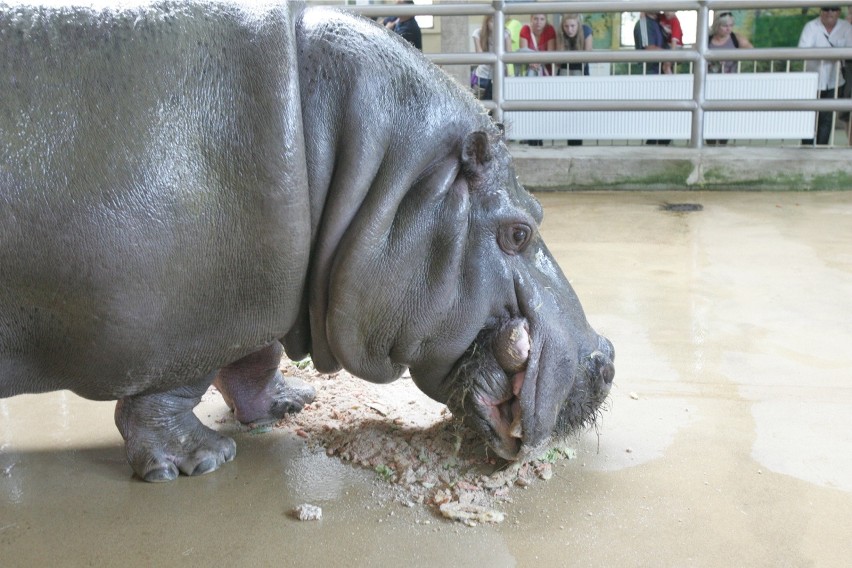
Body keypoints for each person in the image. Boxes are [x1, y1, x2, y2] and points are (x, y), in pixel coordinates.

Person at [798, 6, 851, 145]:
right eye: (826, 9)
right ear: (821, 11)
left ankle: (821, 149)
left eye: (833, 9)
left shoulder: (846, 27)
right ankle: (807, 148)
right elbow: (802, 50)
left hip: (834, 80)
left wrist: (823, 54)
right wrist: (831, 54)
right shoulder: (810, 26)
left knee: (826, 118)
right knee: (808, 116)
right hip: (811, 80)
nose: (829, 13)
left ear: (838, 12)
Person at [707, 11, 753, 145]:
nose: (728, 29)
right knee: (710, 118)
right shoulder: (707, 40)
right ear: (717, 26)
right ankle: (710, 143)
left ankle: (722, 143)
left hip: (729, 86)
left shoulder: (735, 38)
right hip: (710, 86)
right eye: (724, 26)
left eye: (731, 25)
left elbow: (751, 50)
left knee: (725, 118)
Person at [555, 13, 592, 146]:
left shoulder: (586, 31)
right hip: (564, 73)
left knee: (580, 110)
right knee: (565, 109)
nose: (569, 29)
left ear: (578, 25)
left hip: (581, 73)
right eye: (566, 26)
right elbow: (559, 60)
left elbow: (587, 57)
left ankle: (577, 141)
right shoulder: (560, 33)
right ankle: (568, 137)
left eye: (572, 26)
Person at [634, 12, 670, 145]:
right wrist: (673, 54)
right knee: (655, 121)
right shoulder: (644, 23)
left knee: (663, 121)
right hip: (651, 76)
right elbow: (649, 49)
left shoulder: (660, 22)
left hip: (661, 75)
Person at [472, 15, 512, 101]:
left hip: (500, 75)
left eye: (497, 22)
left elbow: (509, 55)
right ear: (486, 23)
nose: (495, 25)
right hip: (482, 75)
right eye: (492, 21)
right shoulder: (478, 33)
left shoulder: (505, 33)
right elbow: (480, 55)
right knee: (478, 103)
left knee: (499, 103)